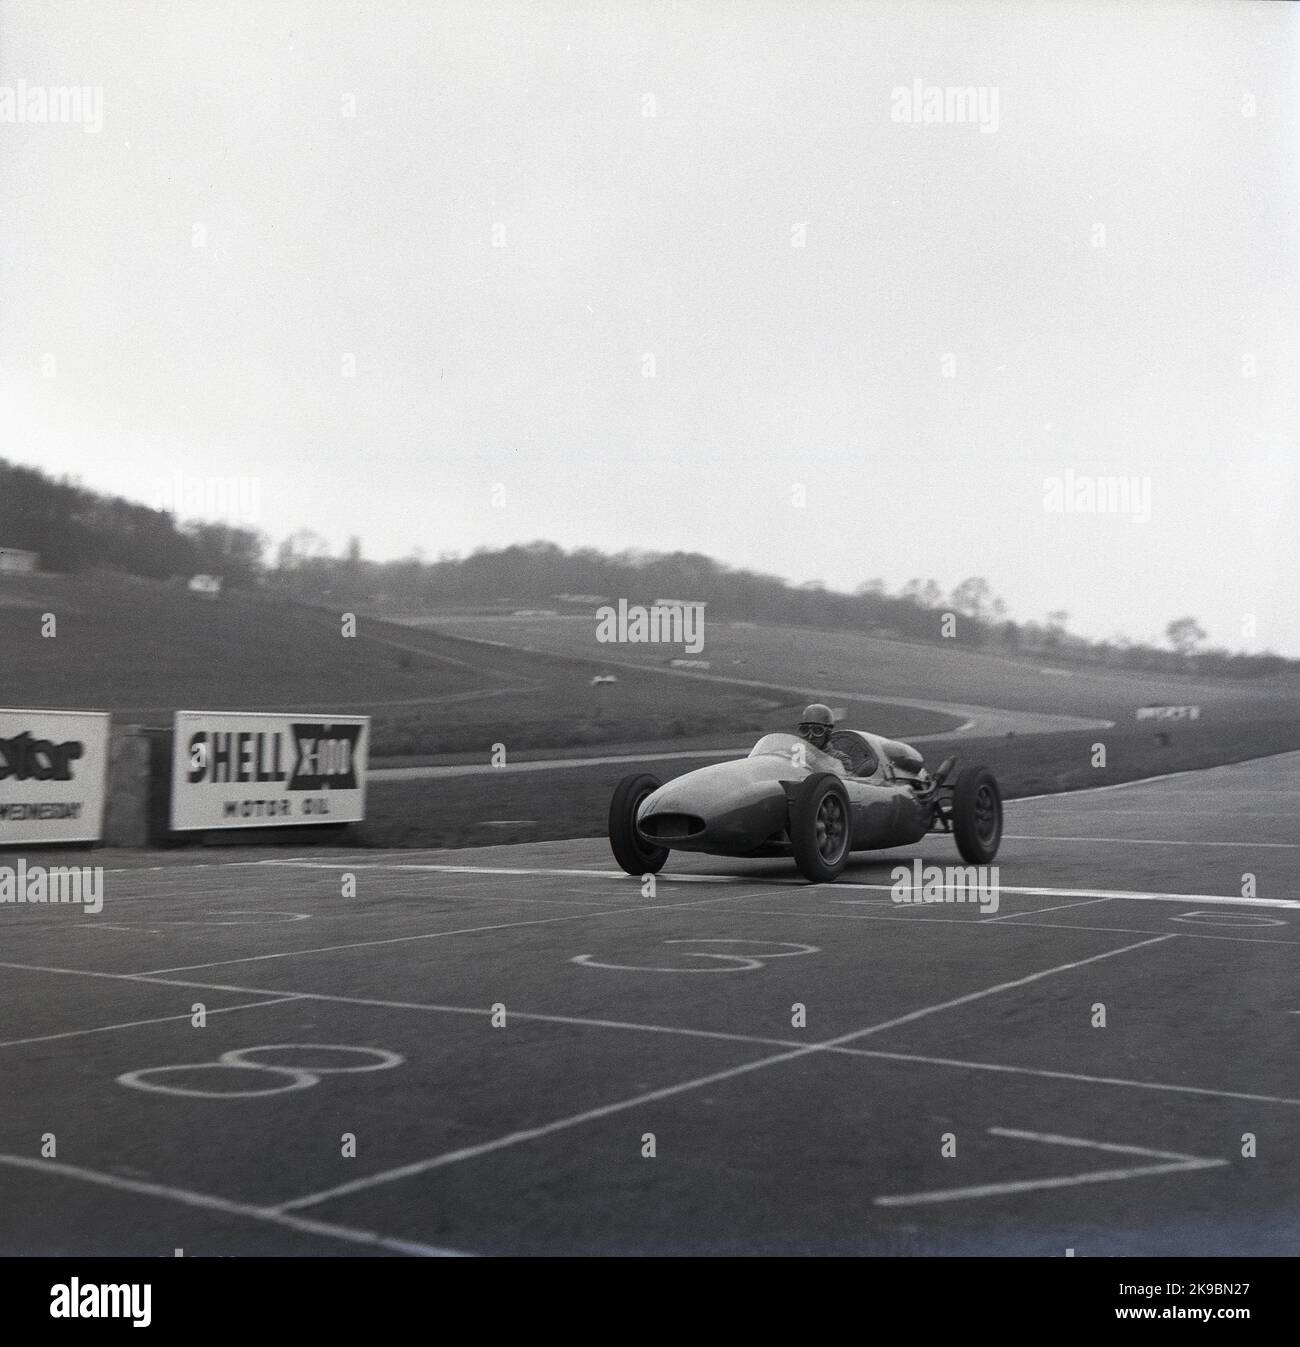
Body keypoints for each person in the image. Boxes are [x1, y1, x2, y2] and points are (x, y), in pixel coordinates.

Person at [797, 703, 852, 768]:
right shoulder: (796, 756)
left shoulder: (840, 759)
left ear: (827, 733)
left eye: (817, 731)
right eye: (805, 730)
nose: (810, 736)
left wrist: (815, 763)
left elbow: (841, 777)